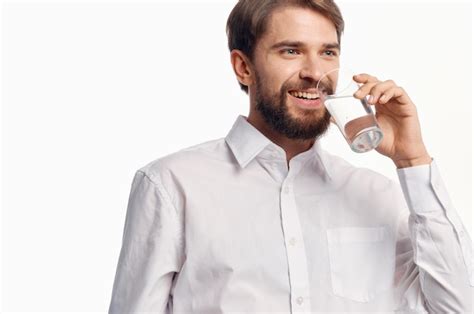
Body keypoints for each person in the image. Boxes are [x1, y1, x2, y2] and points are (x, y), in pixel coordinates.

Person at [108, 0, 473, 312]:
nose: (315, 73)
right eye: (291, 50)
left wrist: (412, 161)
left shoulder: (378, 195)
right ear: (243, 67)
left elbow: (457, 306)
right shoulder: (172, 187)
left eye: (327, 52)